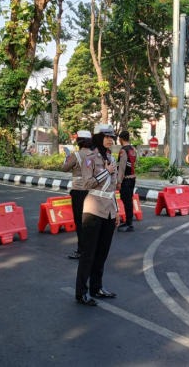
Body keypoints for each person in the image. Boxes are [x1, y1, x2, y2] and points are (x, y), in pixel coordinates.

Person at [75, 123, 119, 306]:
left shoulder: (112, 158)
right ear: (99, 138)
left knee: (102, 253)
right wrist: (106, 172)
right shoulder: (89, 158)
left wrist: (116, 211)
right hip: (93, 210)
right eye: (107, 136)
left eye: (112, 137)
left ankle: (97, 287)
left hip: (109, 211)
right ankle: (81, 292)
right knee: (88, 253)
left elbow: (113, 188)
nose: (110, 140)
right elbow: (87, 184)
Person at [62, 130, 93, 260]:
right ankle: (91, 249)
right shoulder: (95, 154)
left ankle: (81, 250)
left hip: (79, 192)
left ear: (79, 141)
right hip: (92, 191)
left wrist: (66, 159)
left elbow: (64, 168)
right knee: (90, 221)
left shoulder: (77, 155)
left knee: (79, 222)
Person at [116, 130, 136, 232]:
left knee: (127, 200)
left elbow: (121, 168)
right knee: (129, 200)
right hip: (132, 178)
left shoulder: (123, 150)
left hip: (126, 179)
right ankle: (128, 221)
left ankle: (129, 223)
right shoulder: (132, 149)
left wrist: (119, 181)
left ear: (121, 139)